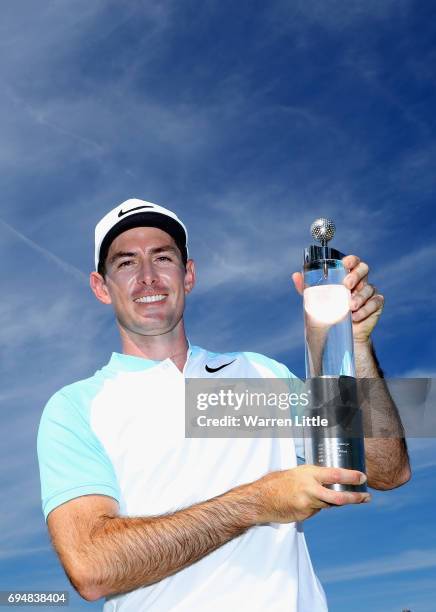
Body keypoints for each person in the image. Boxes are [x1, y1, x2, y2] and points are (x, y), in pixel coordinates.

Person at [37, 199, 410, 611]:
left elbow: (385, 470)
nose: (147, 276)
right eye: (126, 263)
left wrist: (354, 344)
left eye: (162, 258)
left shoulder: (260, 374)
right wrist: (256, 503)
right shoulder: (76, 407)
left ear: (188, 274)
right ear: (101, 287)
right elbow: (91, 568)